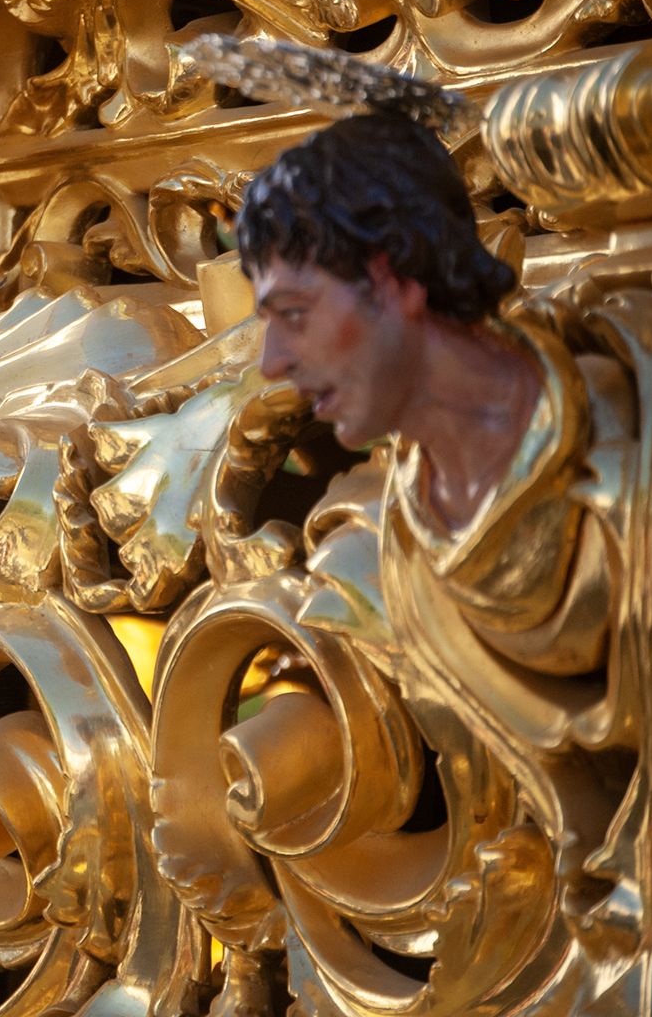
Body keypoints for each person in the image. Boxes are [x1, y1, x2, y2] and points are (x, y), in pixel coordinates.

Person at [236, 109, 629, 675]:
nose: (271, 364)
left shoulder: (636, 442)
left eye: (295, 313)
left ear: (393, 278)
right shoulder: (388, 536)